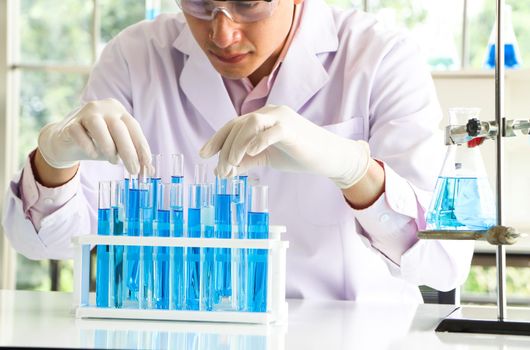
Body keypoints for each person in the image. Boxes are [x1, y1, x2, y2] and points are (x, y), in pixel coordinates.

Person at [2, 0, 473, 302]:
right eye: (200, 5)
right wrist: (54, 163)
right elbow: (42, 243)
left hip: (345, 334)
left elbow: (446, 260)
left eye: (248, 4)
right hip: (179, 333)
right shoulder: (134, 57)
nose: (221, 34)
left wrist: (355, 171)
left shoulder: (381, 56)